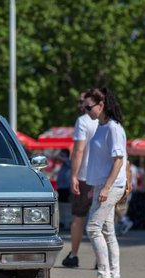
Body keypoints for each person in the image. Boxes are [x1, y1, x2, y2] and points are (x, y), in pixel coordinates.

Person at [81, 87, 127, 278]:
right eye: (84, 107)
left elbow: (119, 160)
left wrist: (106, 187)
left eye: (88, 107)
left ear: (101, 105)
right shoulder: (101, 127)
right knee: (108, 231)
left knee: (93, 228)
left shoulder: (113, 128)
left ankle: (104, 275)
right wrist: (96, 185)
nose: (86, 110)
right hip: (103, 185)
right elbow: (102, 162)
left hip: (112, 185)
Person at [62, 91, 98, 268]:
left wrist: (74, 175)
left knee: (78, 218)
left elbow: (78, 150)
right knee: (101, 220)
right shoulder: (107, 121)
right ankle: (101, 259)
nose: (80, 104)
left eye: (82, 101)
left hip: (84, 176)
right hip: (101, 177)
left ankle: (74, 255)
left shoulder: (83, 121)